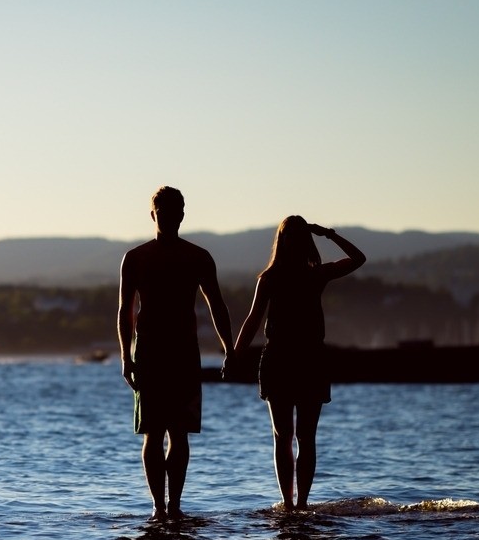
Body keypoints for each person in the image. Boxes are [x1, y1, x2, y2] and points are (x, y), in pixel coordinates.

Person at [234, 216, 366, 511]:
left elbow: (253, 320)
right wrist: (328, 235)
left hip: (298, 359)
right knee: (300, 438)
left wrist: (235, 355)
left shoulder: (304, 275)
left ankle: (295, 505)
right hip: (293, 359)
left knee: (290, 438)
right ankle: (296, 504)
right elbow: (252, 320)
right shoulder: (285, 277)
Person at [118, 186, 234, 521]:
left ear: (182, 215)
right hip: (150, 351)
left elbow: (217, 306)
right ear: (153, 214)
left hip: (183, 351)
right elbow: (125, 310)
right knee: (154, 433)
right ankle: (159, 507)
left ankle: (174, 506)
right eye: (163, 212)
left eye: (173, 212)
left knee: (178, 432)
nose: (168, 218)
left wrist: (229, 349)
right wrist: (126, 356)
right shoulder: (136, 258)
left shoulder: (197, 257)